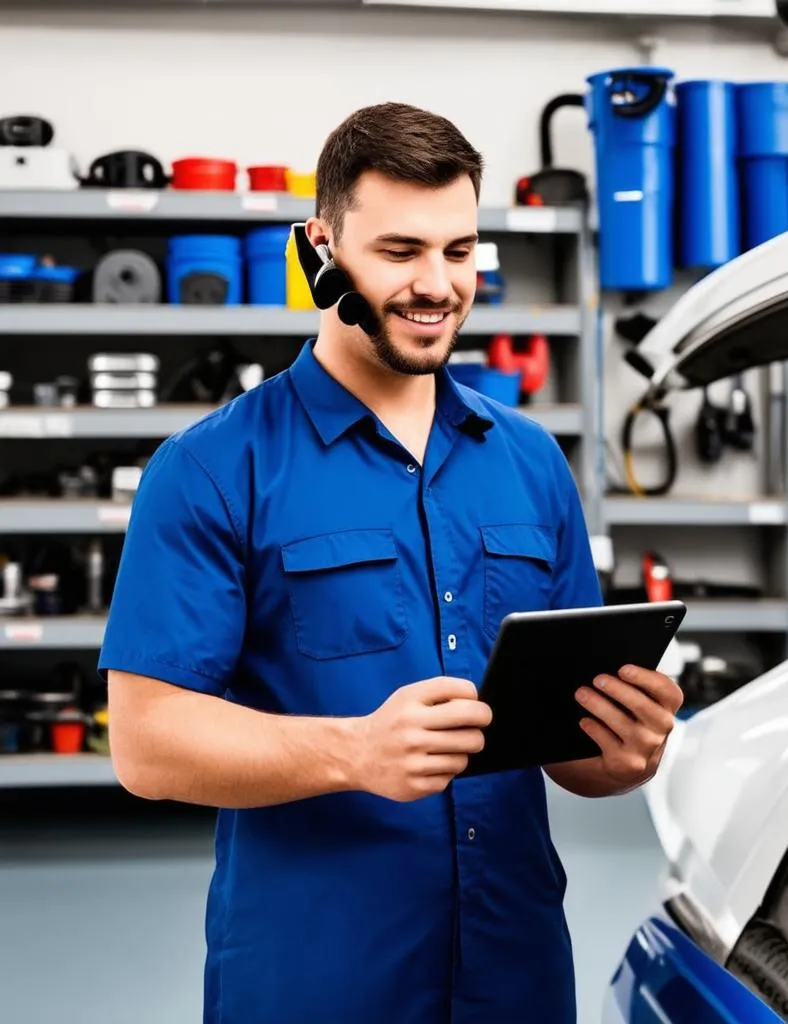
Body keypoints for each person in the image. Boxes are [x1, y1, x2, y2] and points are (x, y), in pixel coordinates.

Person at [98, 101, 684, 1024]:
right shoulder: (213, 469)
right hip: (319, 980)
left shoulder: (531, 463)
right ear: (320, 247)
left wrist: (627, 750)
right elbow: (144, 743)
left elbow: (576, 759)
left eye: (459, 251)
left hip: (515, 972)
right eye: (401, 251)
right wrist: (352, 751)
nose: (437, 284)